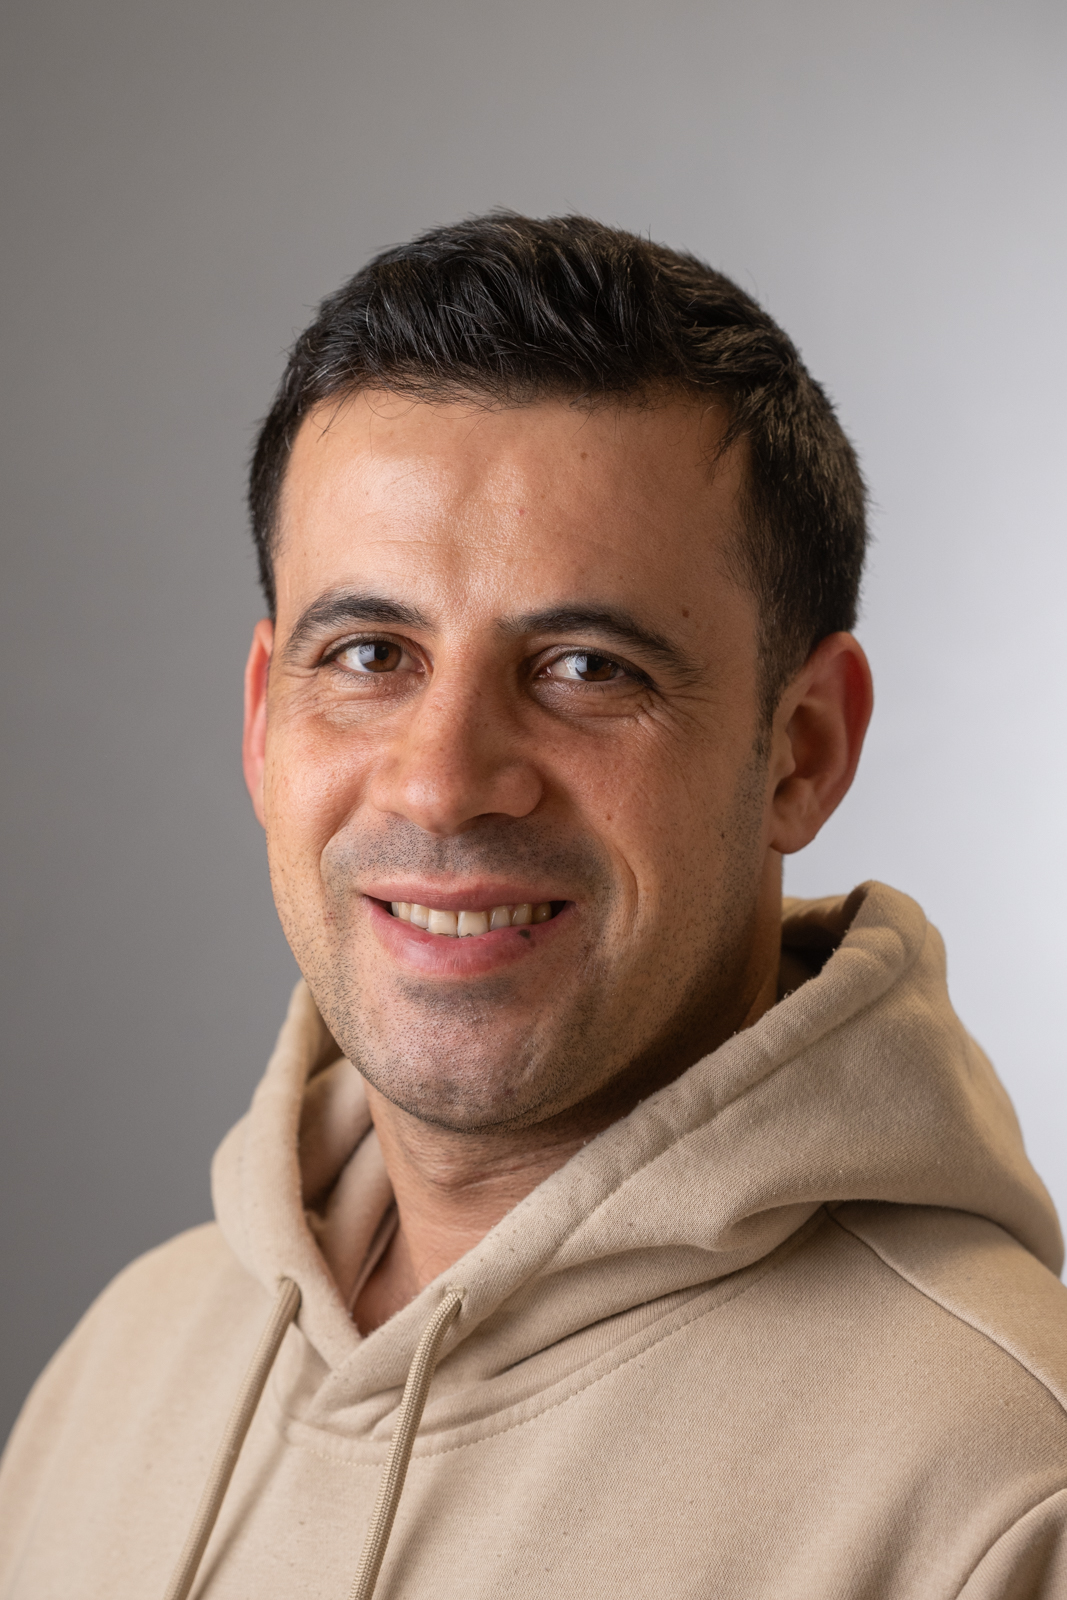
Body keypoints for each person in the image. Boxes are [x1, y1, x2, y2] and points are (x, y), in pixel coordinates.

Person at [1, 213, 1065, 1600]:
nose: (443, 784)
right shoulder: (123, 1367)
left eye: (585, 668)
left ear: (801, 750)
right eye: (369, 654)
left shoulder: (1005, 1495)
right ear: (264, 720)